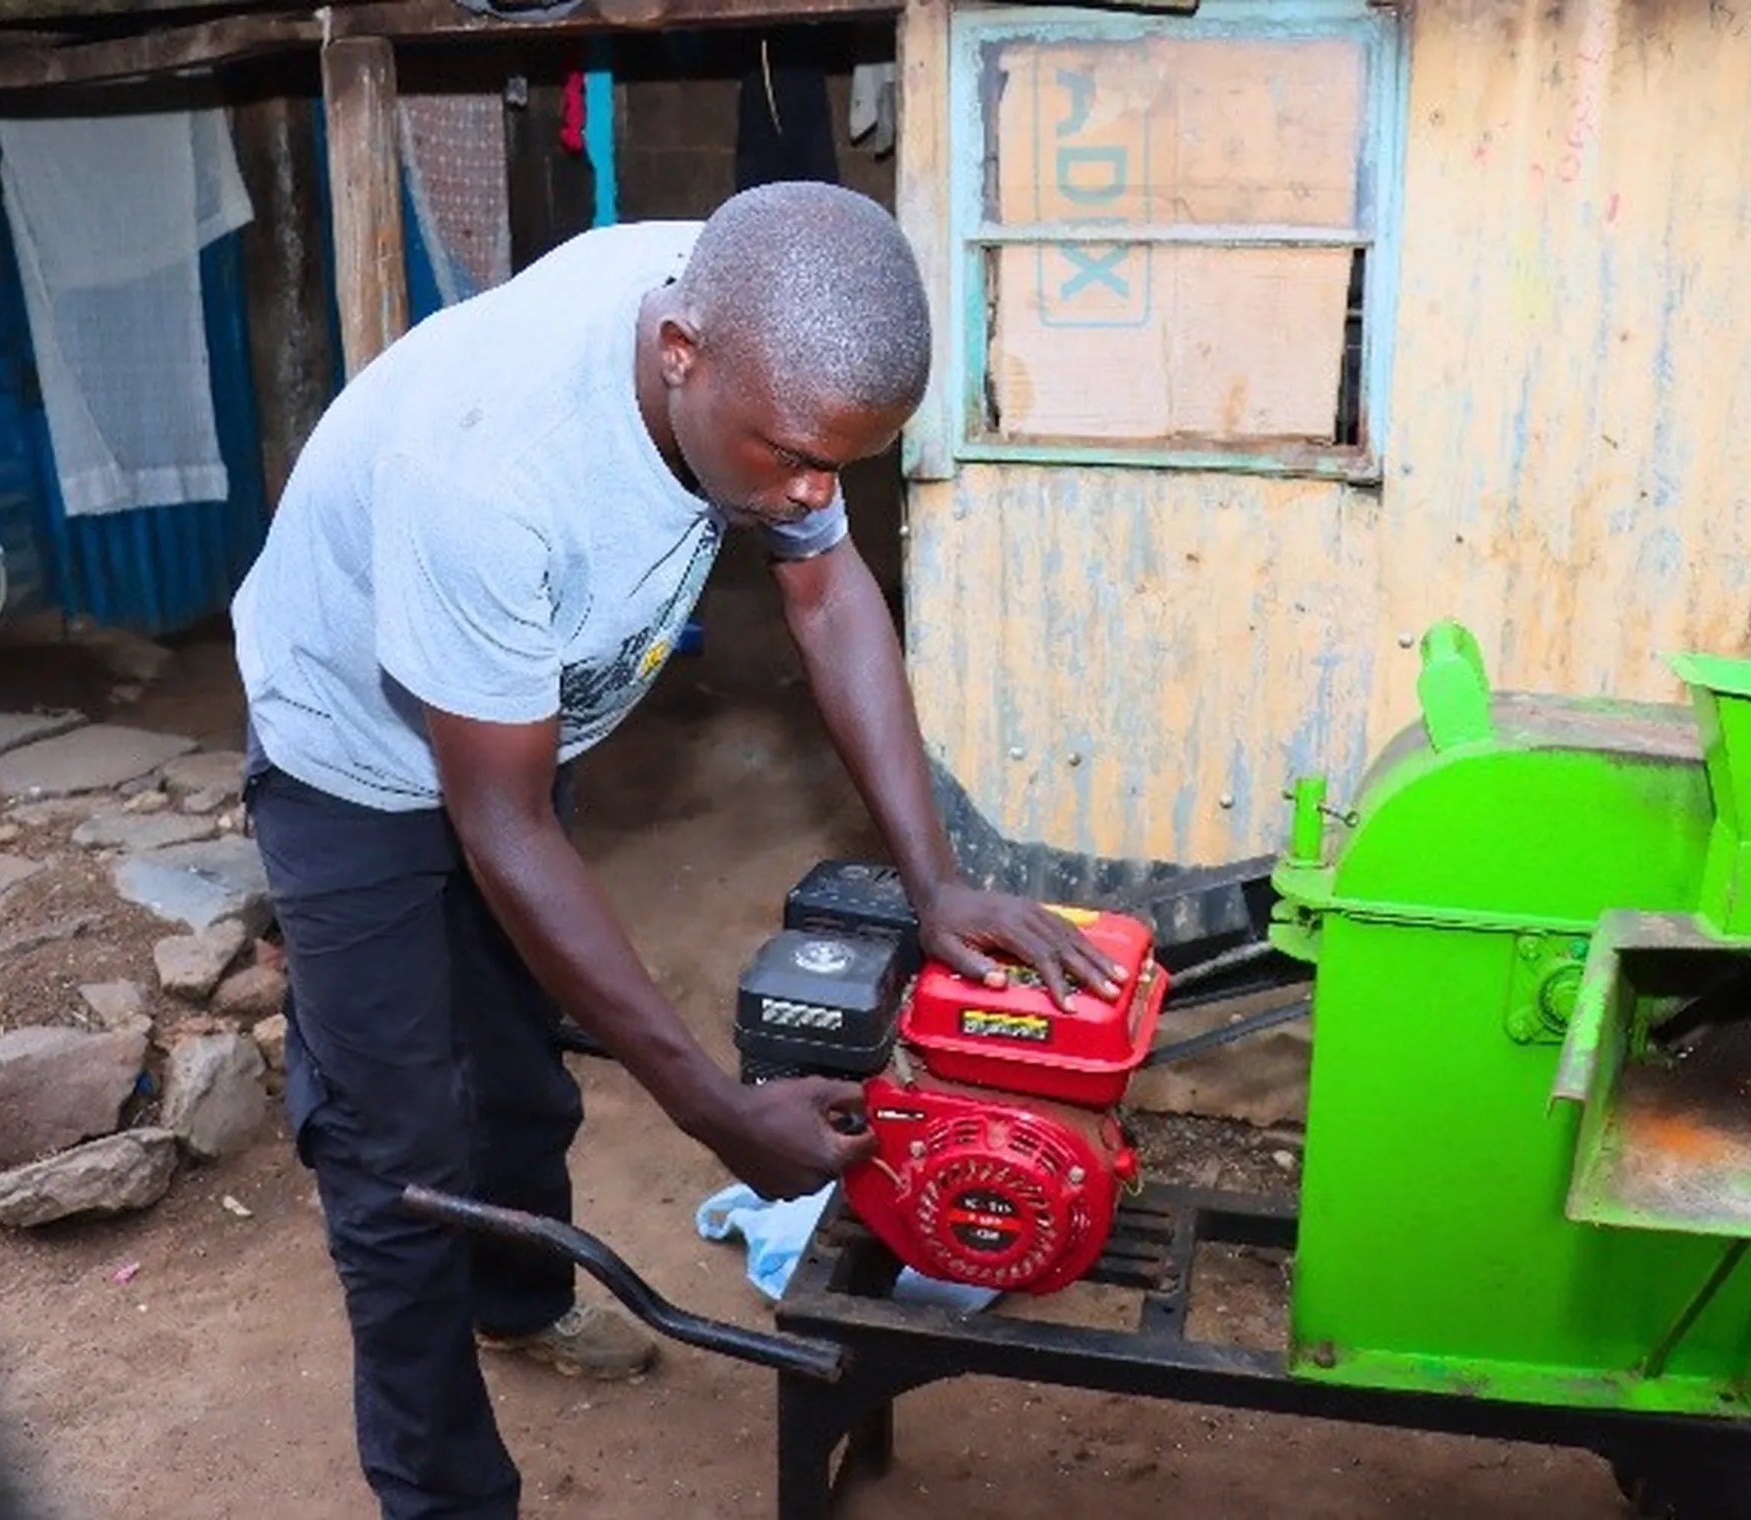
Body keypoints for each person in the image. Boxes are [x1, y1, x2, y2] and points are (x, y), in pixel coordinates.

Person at [227, 181, 1124, 1520]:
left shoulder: (764, 336)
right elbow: (503, 827)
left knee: (523, 1074)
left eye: (842, 464)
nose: (811, 494)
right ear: (678, 356)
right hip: (353, 762)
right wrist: (715, 1114)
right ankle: (448, 1498)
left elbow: (827, 602)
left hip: (516, 729)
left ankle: (519, 1307)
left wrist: (936, 881)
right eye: (787, 458)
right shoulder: (487, 471)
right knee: (396, 1159)